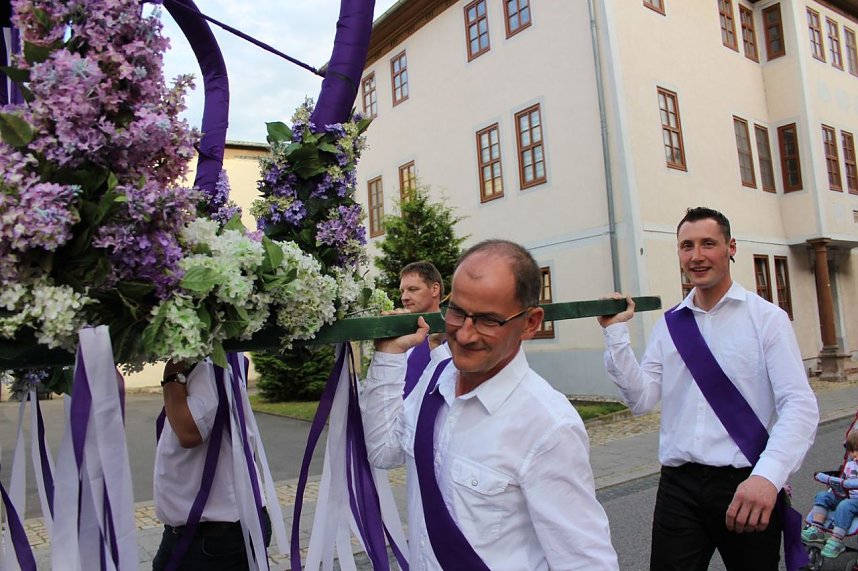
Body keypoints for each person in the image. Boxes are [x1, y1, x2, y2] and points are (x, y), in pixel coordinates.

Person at [361, 239, 619, 570]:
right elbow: (383, 451)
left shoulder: (547, 425)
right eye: (457, 312)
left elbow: (586, 562)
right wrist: (388, 356)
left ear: (530, 322)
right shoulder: (434, 380)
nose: (465, 334)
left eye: (488, 320)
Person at [597, 206, 819, 570]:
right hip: (678, 489)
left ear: (730, 247)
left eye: (708, 244)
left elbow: (799, 406)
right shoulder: (669, 326)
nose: (696, 256)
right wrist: (615, 332)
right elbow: (641, 400)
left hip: (746, 484)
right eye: (687, 246)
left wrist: (768, 477)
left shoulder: (767, 321)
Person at [152, 358, 272, 571]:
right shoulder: (201, 366)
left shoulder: (208, 367)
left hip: (213, 537)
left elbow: (189, 432)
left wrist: (172, 375)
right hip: (194, 532)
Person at [398, 261, 451, 397]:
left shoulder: (456, 334)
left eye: (413, 289)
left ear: (435, 289)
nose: (404, 297)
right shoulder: (401, 337)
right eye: (402, 291)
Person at [802, 430, 858, 558]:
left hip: (854, 501)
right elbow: (843, 479)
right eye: (852, 451)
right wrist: (834, 483)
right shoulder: (850, 465)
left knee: (845, 505)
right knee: (823, 496)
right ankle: (816, 528)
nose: (855, 455)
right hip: (845, 494)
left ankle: (837, 540)